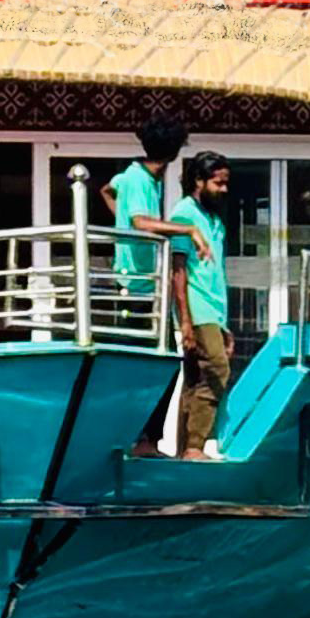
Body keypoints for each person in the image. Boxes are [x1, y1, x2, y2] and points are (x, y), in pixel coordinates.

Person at [168, 151, 233, 459]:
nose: (224, 190)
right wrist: (185, 320)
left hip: (213, 310)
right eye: (218, 183)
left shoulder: (214, 220)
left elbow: (214, 273)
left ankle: (185, 451)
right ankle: (195, 445)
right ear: (199, 181)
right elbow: (178, 271)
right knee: (217, 369)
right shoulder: (185, 214)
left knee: (195, 378)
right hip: (197, 308)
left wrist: (223, 324)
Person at [98, 119, 188, 311]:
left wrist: (122, 219)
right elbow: (140, 222)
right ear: (174, 153)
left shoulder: (134, 176)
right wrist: (189, 229)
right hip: (136, 283)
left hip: (145, 279)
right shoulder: (138, 179)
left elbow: (107, 190)